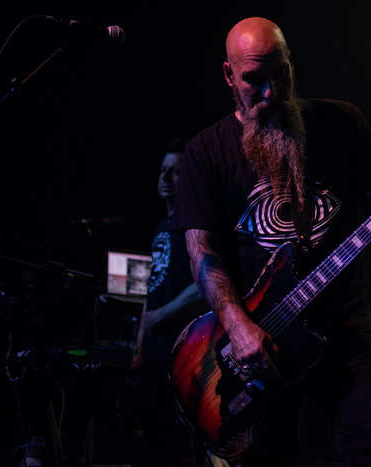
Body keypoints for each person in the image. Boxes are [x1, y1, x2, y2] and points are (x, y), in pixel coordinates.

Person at [171, 17, 371, 466]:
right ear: (229, 75)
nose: (272, 92)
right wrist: (237, 325)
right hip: (257, 335)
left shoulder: (344, 122)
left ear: (291, 63)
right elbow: (202, 252)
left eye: (280, 73)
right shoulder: (206, 152)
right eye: (254, 79)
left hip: (341, 323)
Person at [132, 139, 208, 467]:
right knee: (154, 438)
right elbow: (150, 290)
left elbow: (205, 285)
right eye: (163, 170)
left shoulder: (194, 226)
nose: (165, 177)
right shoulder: (160, 228)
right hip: (154, 351)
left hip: (183, 350)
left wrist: (159, 316)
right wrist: (139, 344)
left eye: (175, 172)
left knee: (181, 442)